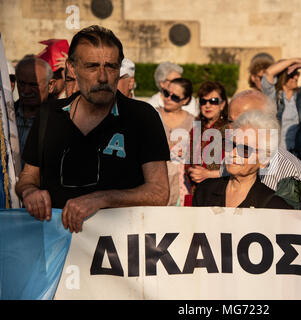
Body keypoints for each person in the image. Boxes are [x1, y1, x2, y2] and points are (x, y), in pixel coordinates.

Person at [15, 25, 170, 233]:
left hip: (118, 251)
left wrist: (102, 199)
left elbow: (159, 192)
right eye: (92, 66)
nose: (103, 77)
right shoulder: (49, 114)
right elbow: (27, 177)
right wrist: (29, 192)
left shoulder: (142, 116)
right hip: (55, 248)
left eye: (111, 67)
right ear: (72, 68)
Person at [188, 89, 301, 193]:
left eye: (244, 121)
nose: (233, 128)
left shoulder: (290, 173)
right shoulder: (232, 155)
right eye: (230, 121)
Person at [193, 110, 291, 209]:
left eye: (245, 149)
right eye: (230, 144)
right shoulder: (204, 191)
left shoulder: (275, 206)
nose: (232, 153)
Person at [261, 57, 301, 166]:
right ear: (283, 77)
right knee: (270, 183)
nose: (296, 77)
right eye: (292, 74)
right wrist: (291, 61)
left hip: (297, 155)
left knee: (297, 183)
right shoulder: (273, 95)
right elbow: (269, 73)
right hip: (272, 156)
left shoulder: (300, 94)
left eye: (298, 74)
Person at [185, 81, 229, 205]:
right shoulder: (196, 129)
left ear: (222, 104)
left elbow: (238, 167)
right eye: (203, 101)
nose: (207, 105)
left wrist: (208, 174)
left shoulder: (230, 129)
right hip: (196, 192)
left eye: (213, 101)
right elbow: (188, 161)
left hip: (220, 192)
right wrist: (191, 171)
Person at [156, 78, 195, 206]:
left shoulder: (193, 122)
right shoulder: (152, 114)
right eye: (166, 93)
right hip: (153, 180)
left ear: (185, 100)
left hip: (180, 186)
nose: (168, 98)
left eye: (175, 97)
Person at [14, 55, 56, 161]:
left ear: (51, 85)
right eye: (22, 84)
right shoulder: (5, 117)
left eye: (33, 85)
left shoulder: (60, 119)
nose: (26, 90)